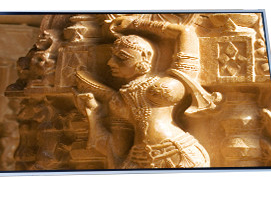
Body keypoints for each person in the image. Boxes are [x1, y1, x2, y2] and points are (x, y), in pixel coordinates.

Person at [75, 16, 220, 169]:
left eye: (122, 57)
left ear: (145, 57)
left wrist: (135, 23)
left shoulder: (166, 84)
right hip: (138, 160)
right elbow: (115, 151)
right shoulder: (117, 100)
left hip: (181, 153)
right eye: (112, 57)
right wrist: (93, 113)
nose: (111, 63)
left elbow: (185, 32)